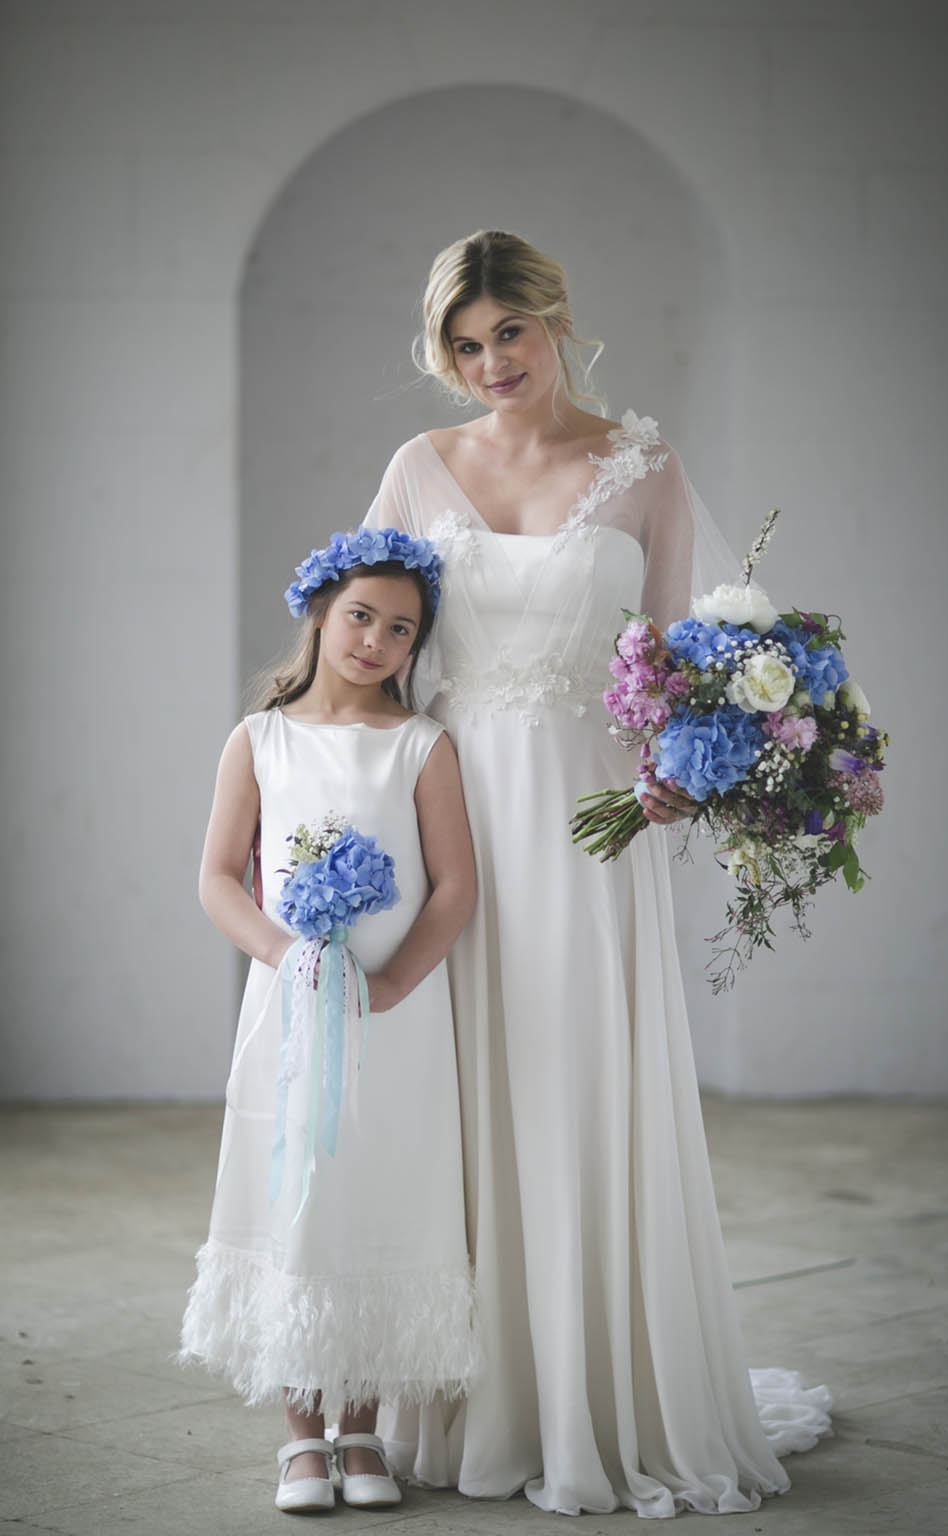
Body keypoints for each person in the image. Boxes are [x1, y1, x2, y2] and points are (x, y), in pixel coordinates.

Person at [364, 230, 832, 1518]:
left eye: (507, 332)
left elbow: (698, 648)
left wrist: (695, 763)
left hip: (590, 814)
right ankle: (459, 1391)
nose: (488, 363)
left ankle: (598, 1392)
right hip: (449, 809)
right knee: (458, 1086)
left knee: (575, 1072)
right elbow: (368, 644)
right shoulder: (418, 468)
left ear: (555, 320)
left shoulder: (642, 464)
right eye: (462, 346)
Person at [179, 527, 479, 1514]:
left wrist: (390, 987)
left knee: (380, 1189)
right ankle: (301, 1437)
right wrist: (288, 955)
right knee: (302, 1192)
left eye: (400, 629)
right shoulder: (258, 739)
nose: (374, 641)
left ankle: (363, 1428)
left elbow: (454, 888)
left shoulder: (423, 746)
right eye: (360, 615)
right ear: (317, 611)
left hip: (394, 1015)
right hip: (294, 1007)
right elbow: (220, 879)